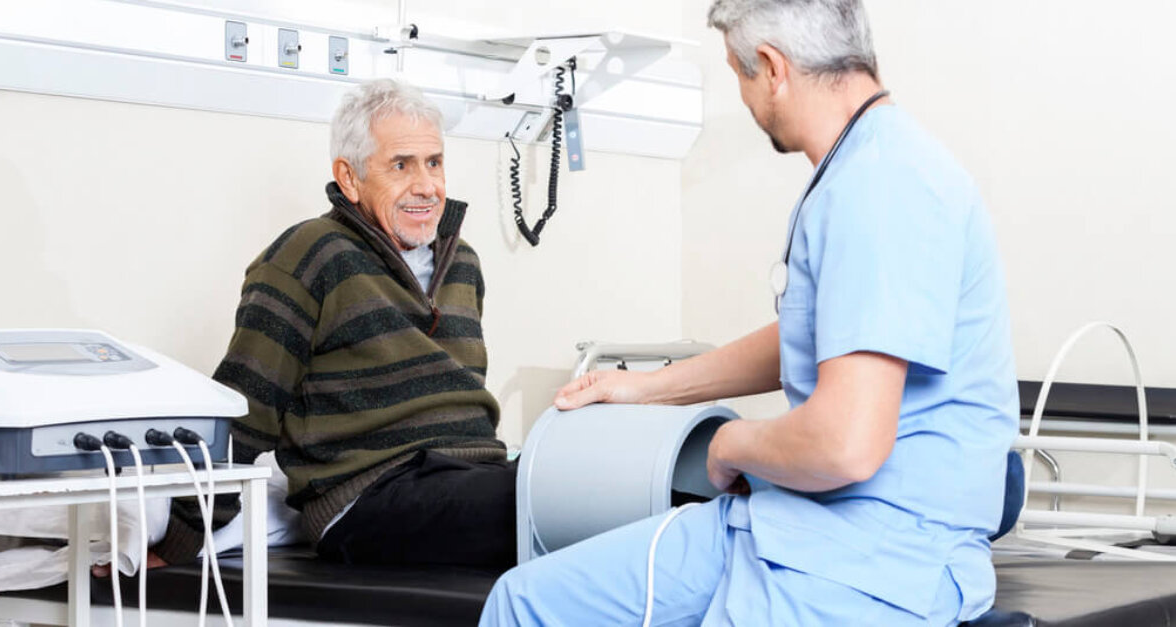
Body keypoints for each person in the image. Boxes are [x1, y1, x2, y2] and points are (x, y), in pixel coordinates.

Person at [479, 0, 1018, 625]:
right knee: (526, 603)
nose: (742, 95)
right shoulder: (871, 166)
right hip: (791, 526)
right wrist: (650, 390)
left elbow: (846, 445)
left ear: (772, 67)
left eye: (737, 73)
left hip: (873, 562)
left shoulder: (880, 187)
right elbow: (817, 336)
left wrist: (733, 442)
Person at [150, 79, 518, 570]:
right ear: (349, 177)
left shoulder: (463, 263)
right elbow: (244, 409)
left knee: (595, 487)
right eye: (401, 165)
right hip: (369, 494)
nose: (427, 186)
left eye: (434, 162)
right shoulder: (312, 255)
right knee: (552, 503)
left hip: (470, 473)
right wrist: (177, 540)